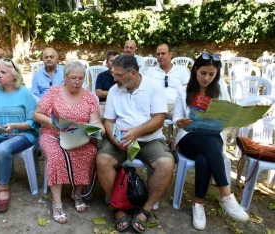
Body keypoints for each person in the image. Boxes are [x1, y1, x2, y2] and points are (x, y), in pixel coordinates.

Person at [96, 55, 174, 233]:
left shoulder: (153, 87)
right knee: (102, 159)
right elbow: (108, 121)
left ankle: (146, 209)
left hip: (149, 139)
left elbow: (159, 119)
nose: (114, 79)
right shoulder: (115, 90)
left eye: (118, 75)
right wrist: (115, 139)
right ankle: (119, 207)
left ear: (133, 73)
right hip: (121, 139)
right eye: (112, 74)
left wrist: (137, 132)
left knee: (166, 163)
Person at [172, 52, 249, 231]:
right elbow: (176, 117)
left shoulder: (220, 91)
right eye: (203, 73)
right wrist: (179, 122)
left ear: (217, 74)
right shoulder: (183, 90)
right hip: (188, 138)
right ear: (195, 71)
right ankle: (226, 195)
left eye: (211, 74)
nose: (206, 78)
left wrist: (231, 121)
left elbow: (227, 116)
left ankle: (198, 204)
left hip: (213, 137)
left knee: (204, 157)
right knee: (209, 145)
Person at [34, 61, 105, 224]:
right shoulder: (53, 92)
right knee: (55, 155)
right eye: (73, 78)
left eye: (80, 78)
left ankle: (77, 193)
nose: (77, 81)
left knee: (89, 152)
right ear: (65, 77)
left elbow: (96, 123)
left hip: (78, 137)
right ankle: (57, 202)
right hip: (53, 134)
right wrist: (54, 124)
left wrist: (97, 130)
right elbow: (37, 114)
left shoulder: (89, 97)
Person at [0, 59, 38, 212]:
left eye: (3, 72)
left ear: (14, 75)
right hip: (0, 134)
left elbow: (33, 122)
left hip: (23, 134)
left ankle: (3, 186)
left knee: (3, 149)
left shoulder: (25, 93)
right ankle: (5, 177)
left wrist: (14, 126)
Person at [145, 43, 190, 119]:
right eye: (158, 54)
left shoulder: (181, 70)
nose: (160, 56)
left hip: (177, 105)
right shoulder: (151, 71)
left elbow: (188, 88)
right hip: (157, 106)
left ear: (170, 54)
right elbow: (145, 89)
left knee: (185, 117)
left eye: (163, 53)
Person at [95, 50, 119, 117]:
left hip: (120, 103)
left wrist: (116, 75)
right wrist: (117, 92)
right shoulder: (101, 76)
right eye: (111, 61)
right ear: (107, 63)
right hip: (104, 103)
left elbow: (125, 91)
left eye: (117, 61)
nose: (114, 63)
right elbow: (99, 93)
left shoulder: (124, 75)